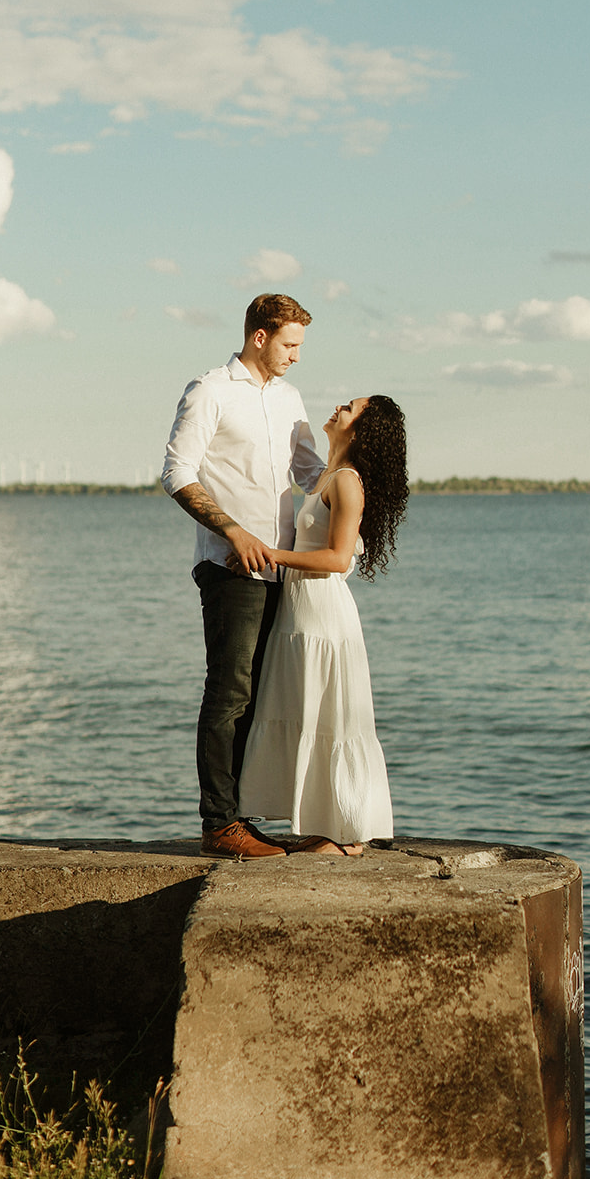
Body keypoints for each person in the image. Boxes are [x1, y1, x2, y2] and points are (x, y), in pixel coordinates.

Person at [161, 294, 324, 859]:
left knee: (262, 696)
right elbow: (176, 472)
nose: (296, 356)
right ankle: (219, 825)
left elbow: (310, 473)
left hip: (287, 568)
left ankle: (244, 818)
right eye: (290, 344)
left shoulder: (290, 398)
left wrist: (356, 483)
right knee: (229, 694)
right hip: (231, 567)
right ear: (260, 336)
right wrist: (234, 532)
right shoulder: (210, 389)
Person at [237, 394, 408, 857]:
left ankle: (348, 836)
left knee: (332, 716)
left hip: (323, 614)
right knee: (307, 710)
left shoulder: (348, 482)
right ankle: (323, 828)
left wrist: (270, 554)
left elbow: (336, 558)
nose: (338, 408)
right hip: (301, 609)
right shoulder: (327, 477)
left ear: (363, 430)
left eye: (350, 408)